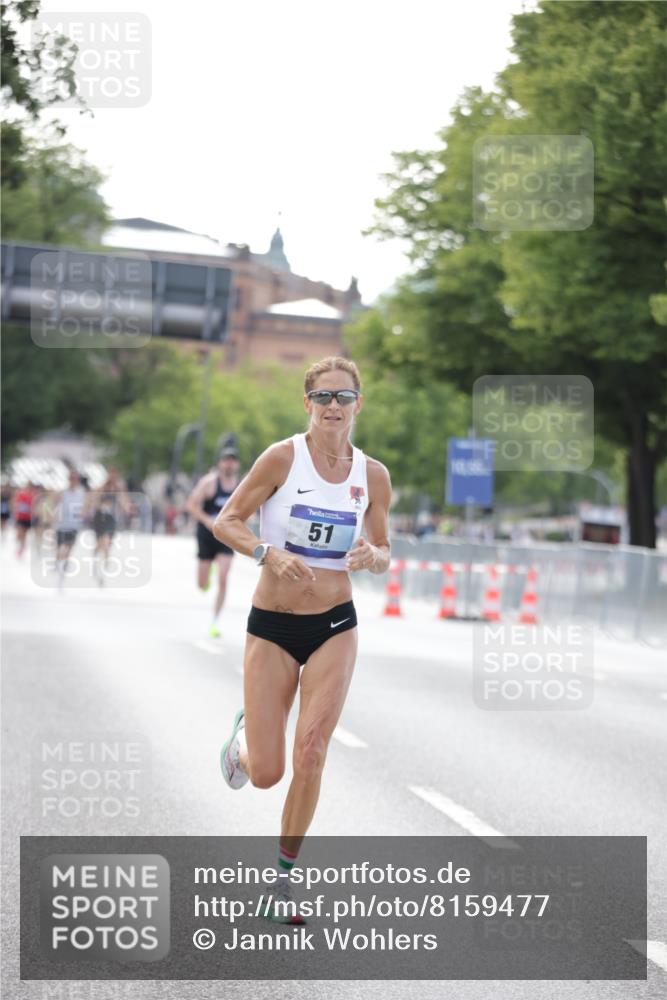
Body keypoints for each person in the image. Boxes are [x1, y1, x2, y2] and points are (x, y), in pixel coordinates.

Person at [214, 356, 392, 924]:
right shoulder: (282, 458)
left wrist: (372, 555)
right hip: (272, 624)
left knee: (311, 751)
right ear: (307, 403)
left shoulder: (374, 475)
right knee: (267, 773)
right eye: (323, 397)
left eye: (344, 397)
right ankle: (242, 740)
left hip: (335, 624)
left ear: (358, 404)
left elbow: (384, 550)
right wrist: (269, 553)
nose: (333, 406)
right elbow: (227, 521)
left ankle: (283, 883)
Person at [186, 447, 242, 638]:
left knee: (224, 578)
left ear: (237, 464)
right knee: (202, 585)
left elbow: (247, 508)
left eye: (233, 460)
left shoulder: (241, 485)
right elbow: (191, 505)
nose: (229, 464)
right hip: (207, 534)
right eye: (226, 460)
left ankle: (215, 622)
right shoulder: (209, 483)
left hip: (226, 536)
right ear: (220, 463)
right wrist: (207, 520)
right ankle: (207, 571)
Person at [53, 469, 88, 589]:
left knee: (68, 549)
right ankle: (58, 563)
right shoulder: (62, 492)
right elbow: (54, 504)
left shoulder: (81, 492)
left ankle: (63, 570)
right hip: (61, 525)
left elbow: (85, 506)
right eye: (71, 479)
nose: (73, 481)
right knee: (59, 549)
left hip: (74, 525)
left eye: (75, 479)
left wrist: (83, 514)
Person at [12, 481, 38, 557]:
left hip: (28, 518)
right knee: (20, 532)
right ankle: (20, 545)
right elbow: (17, 503)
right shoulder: (21, 493)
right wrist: (15, 511)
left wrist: (33, 511)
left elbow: (34, 505)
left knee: (24, 534)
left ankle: (22, 548)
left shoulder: (33, 494)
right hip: (20, 516)